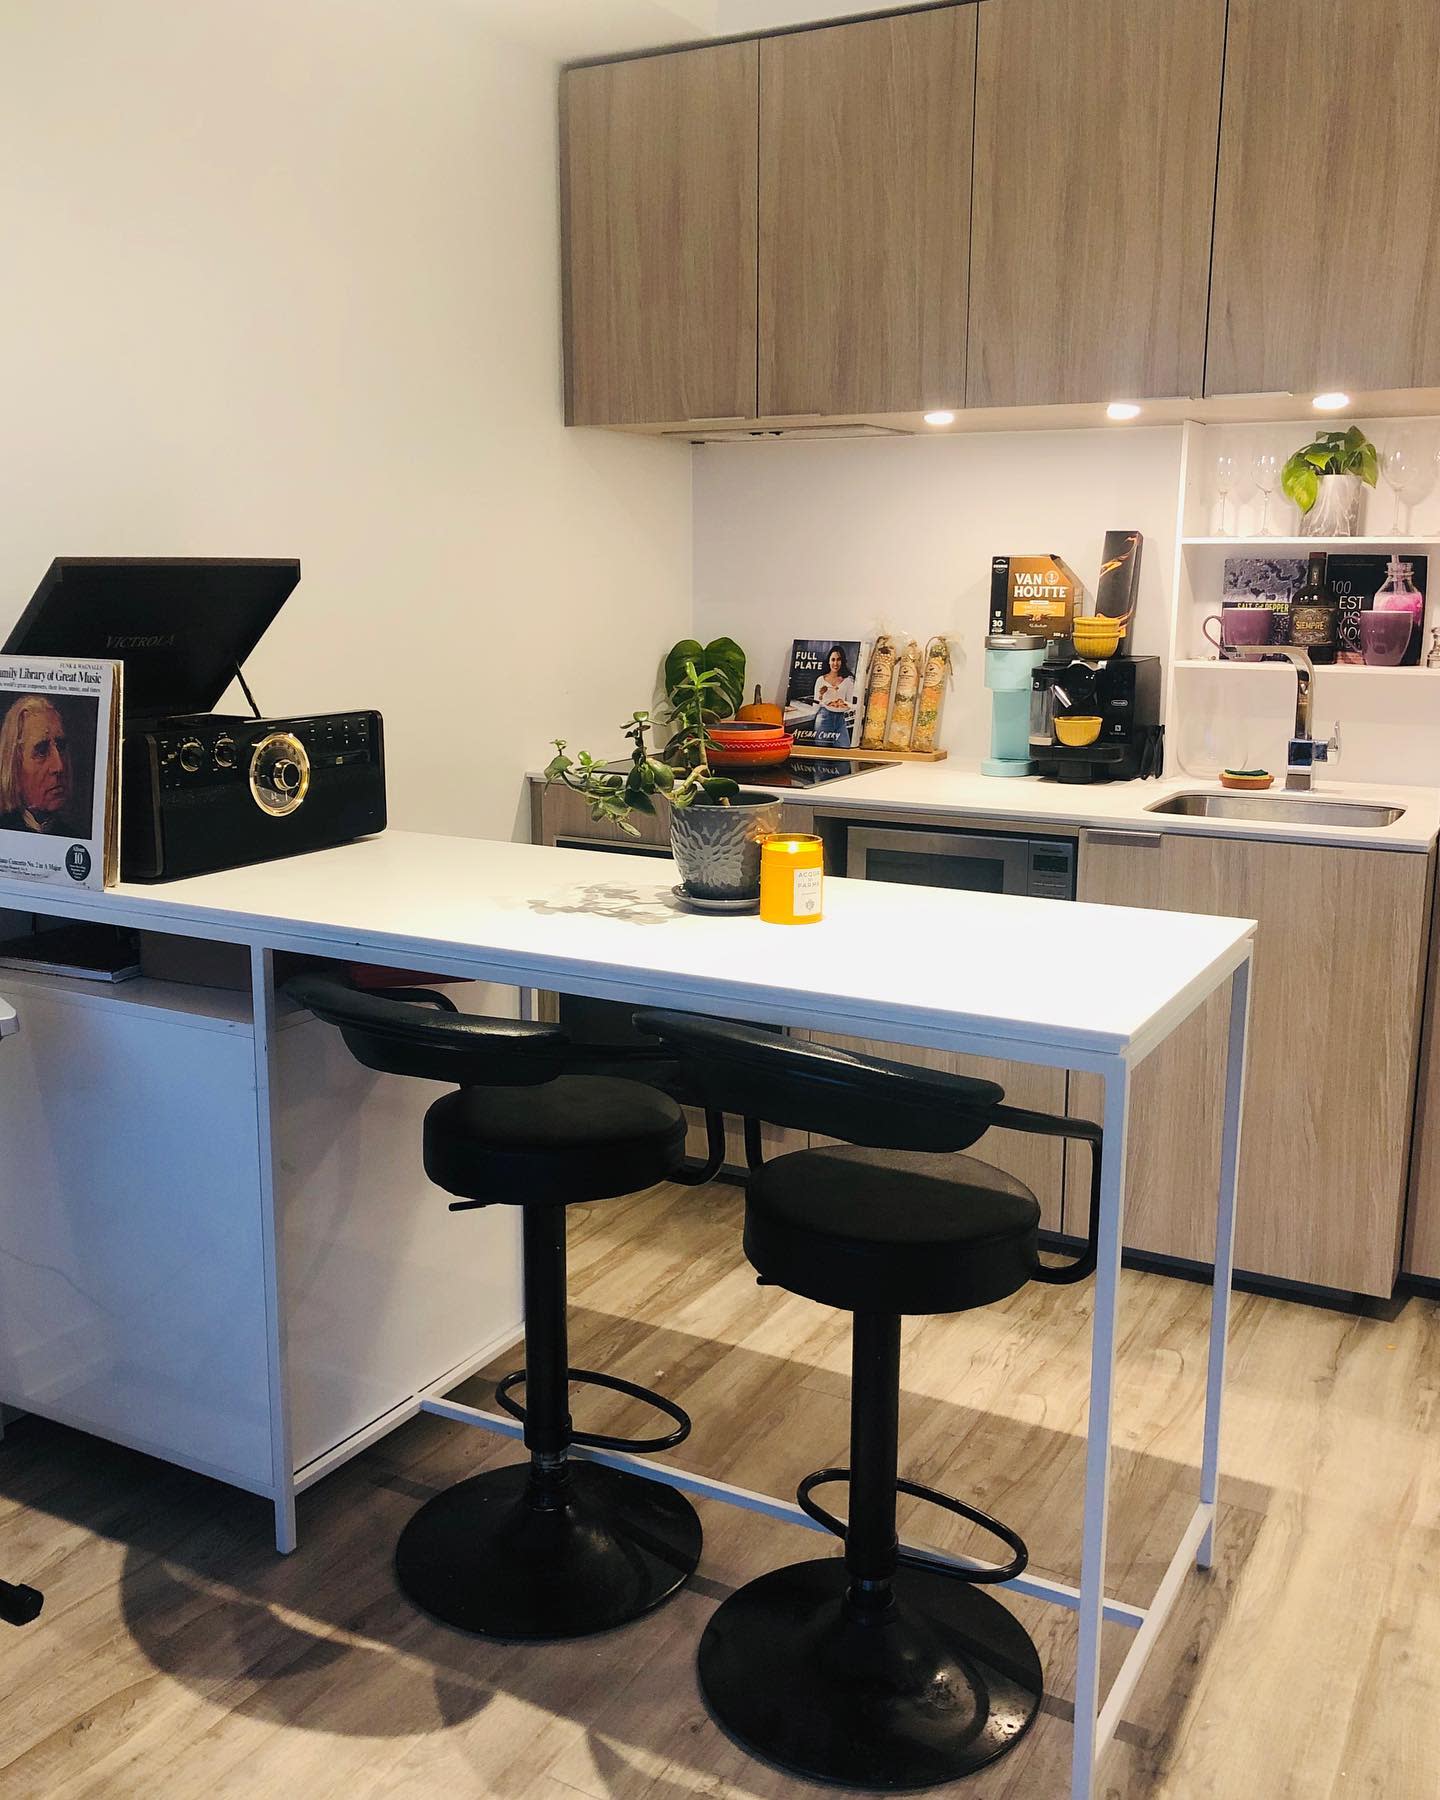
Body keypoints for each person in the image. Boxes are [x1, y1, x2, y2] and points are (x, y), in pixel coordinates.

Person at [0, 696, 76, 834]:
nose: (59, 766)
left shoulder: (74, 837)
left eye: (61, 746)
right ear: (14, 765)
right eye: (41, 752)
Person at [812, 645, 856, 749]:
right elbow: (815, 706)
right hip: (823, 719)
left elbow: (849, 704)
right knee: (821, 754)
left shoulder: (848, 681)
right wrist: (821, 694)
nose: (835, 663)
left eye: (838, 659)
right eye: (833, 659)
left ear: (842, 661)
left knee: (844, 750)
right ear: (829, 661)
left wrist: (842, 704)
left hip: (841, 720)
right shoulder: (820, 680)